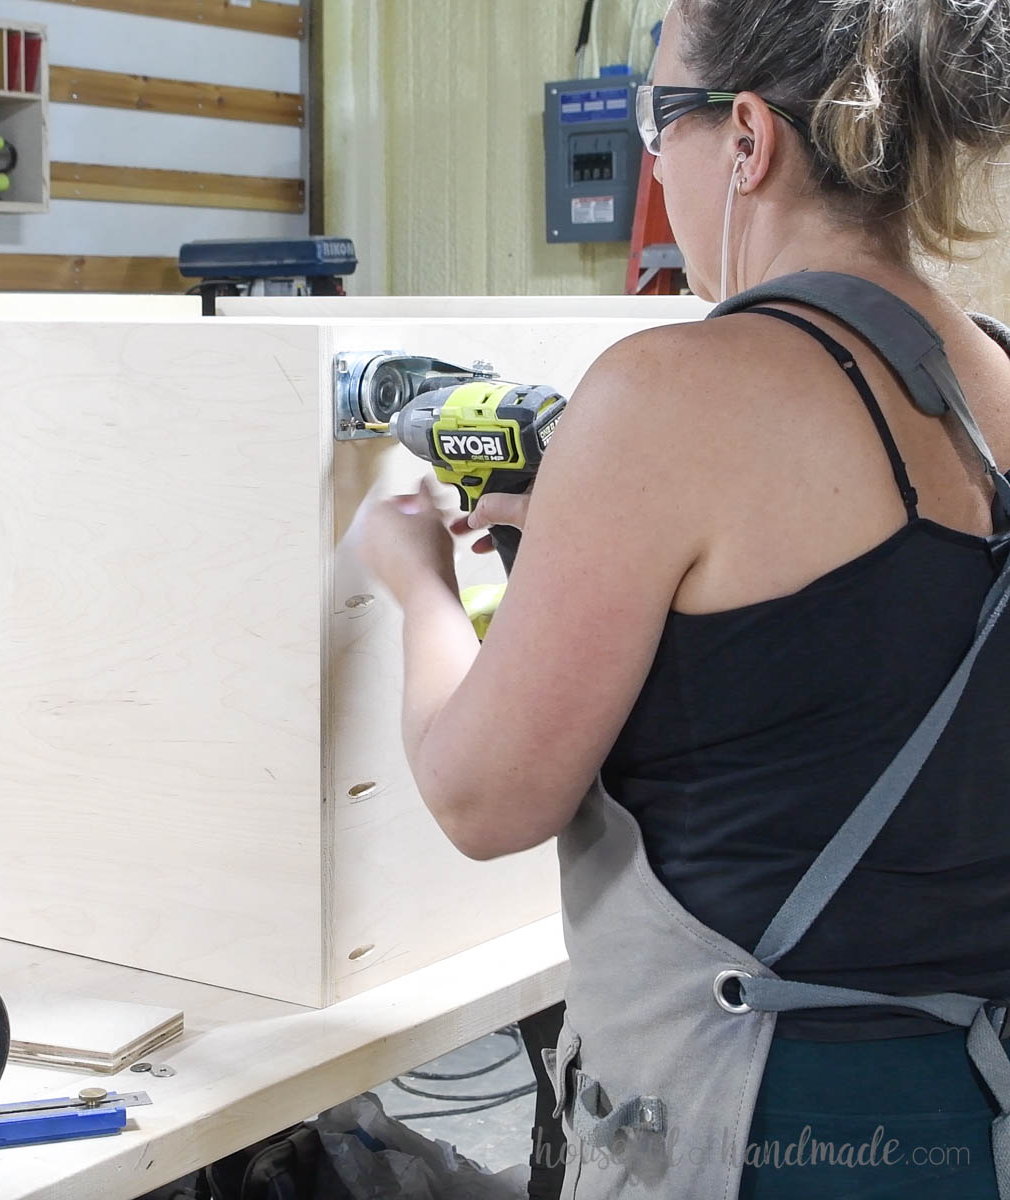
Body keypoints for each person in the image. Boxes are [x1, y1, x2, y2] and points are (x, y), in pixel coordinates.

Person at [354, 0, 1010, 1196]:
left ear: (748, 139)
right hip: (984, 1109)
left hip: (772, 1128)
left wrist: (417, 583)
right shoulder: (1000, 375)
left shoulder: (674, 393)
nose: (659, 163)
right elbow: (860, 662)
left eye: (664, 123)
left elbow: (482, 796)